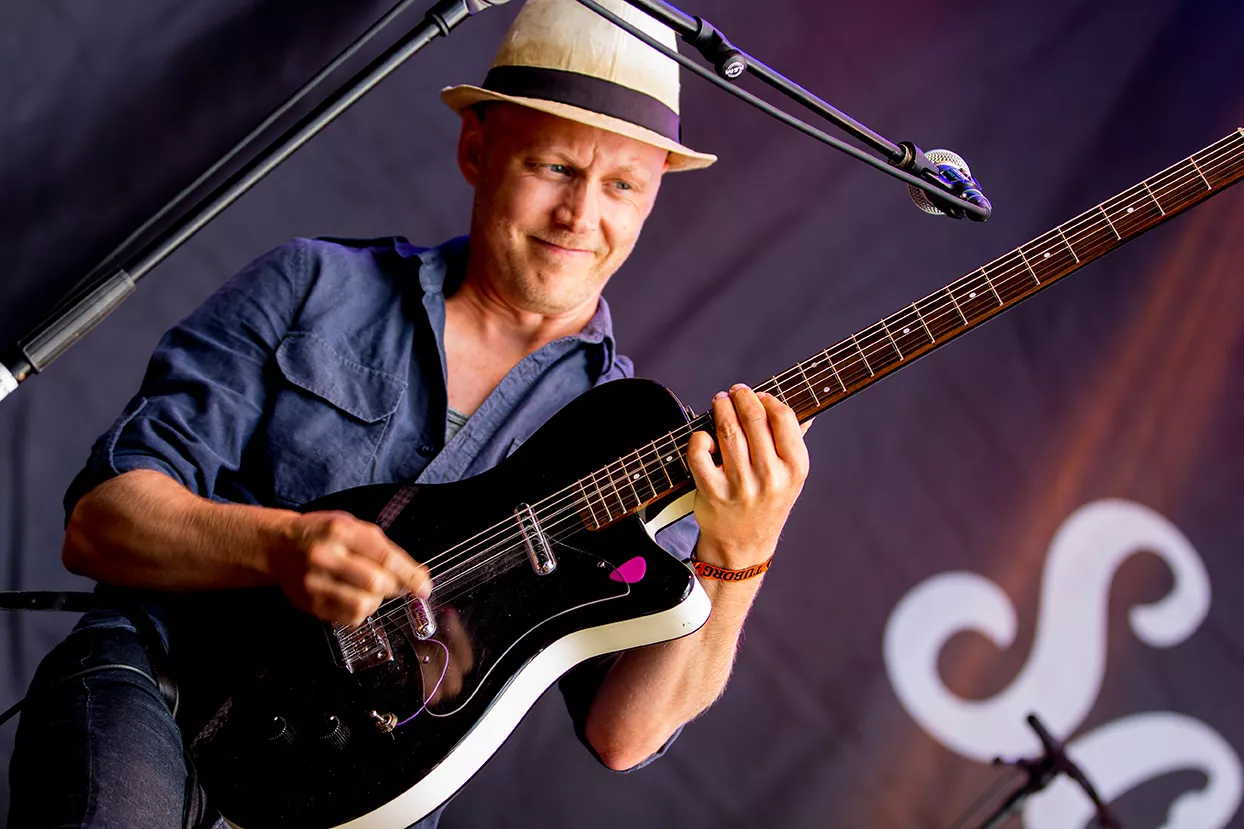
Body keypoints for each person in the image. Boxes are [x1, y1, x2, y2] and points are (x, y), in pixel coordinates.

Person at [8, 0, 810, 826]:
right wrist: (279, 546)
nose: (580, 215)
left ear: (652, 198)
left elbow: (623, 733)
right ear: (476, 150)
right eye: (553, 167)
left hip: (358, 798)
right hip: (162, 680)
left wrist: (740, 553)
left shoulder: (632, 436)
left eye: (622, 185)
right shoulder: (313, 285)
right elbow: (100, 523)